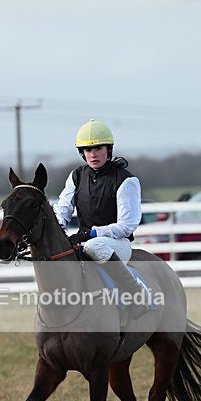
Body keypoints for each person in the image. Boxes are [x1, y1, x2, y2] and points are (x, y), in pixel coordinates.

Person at [53, 119, 150, 320]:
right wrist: (58, 227)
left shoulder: (126, 179)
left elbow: (127, 225)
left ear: (109, 149)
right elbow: (63, 208)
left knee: (94, 246)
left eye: (98, 148)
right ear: (82, 153)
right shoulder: (76, 176)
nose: (93, 154)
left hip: (117, 244)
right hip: (85, 240)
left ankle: (136, 294)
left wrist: (94, 233)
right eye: (88, 150)